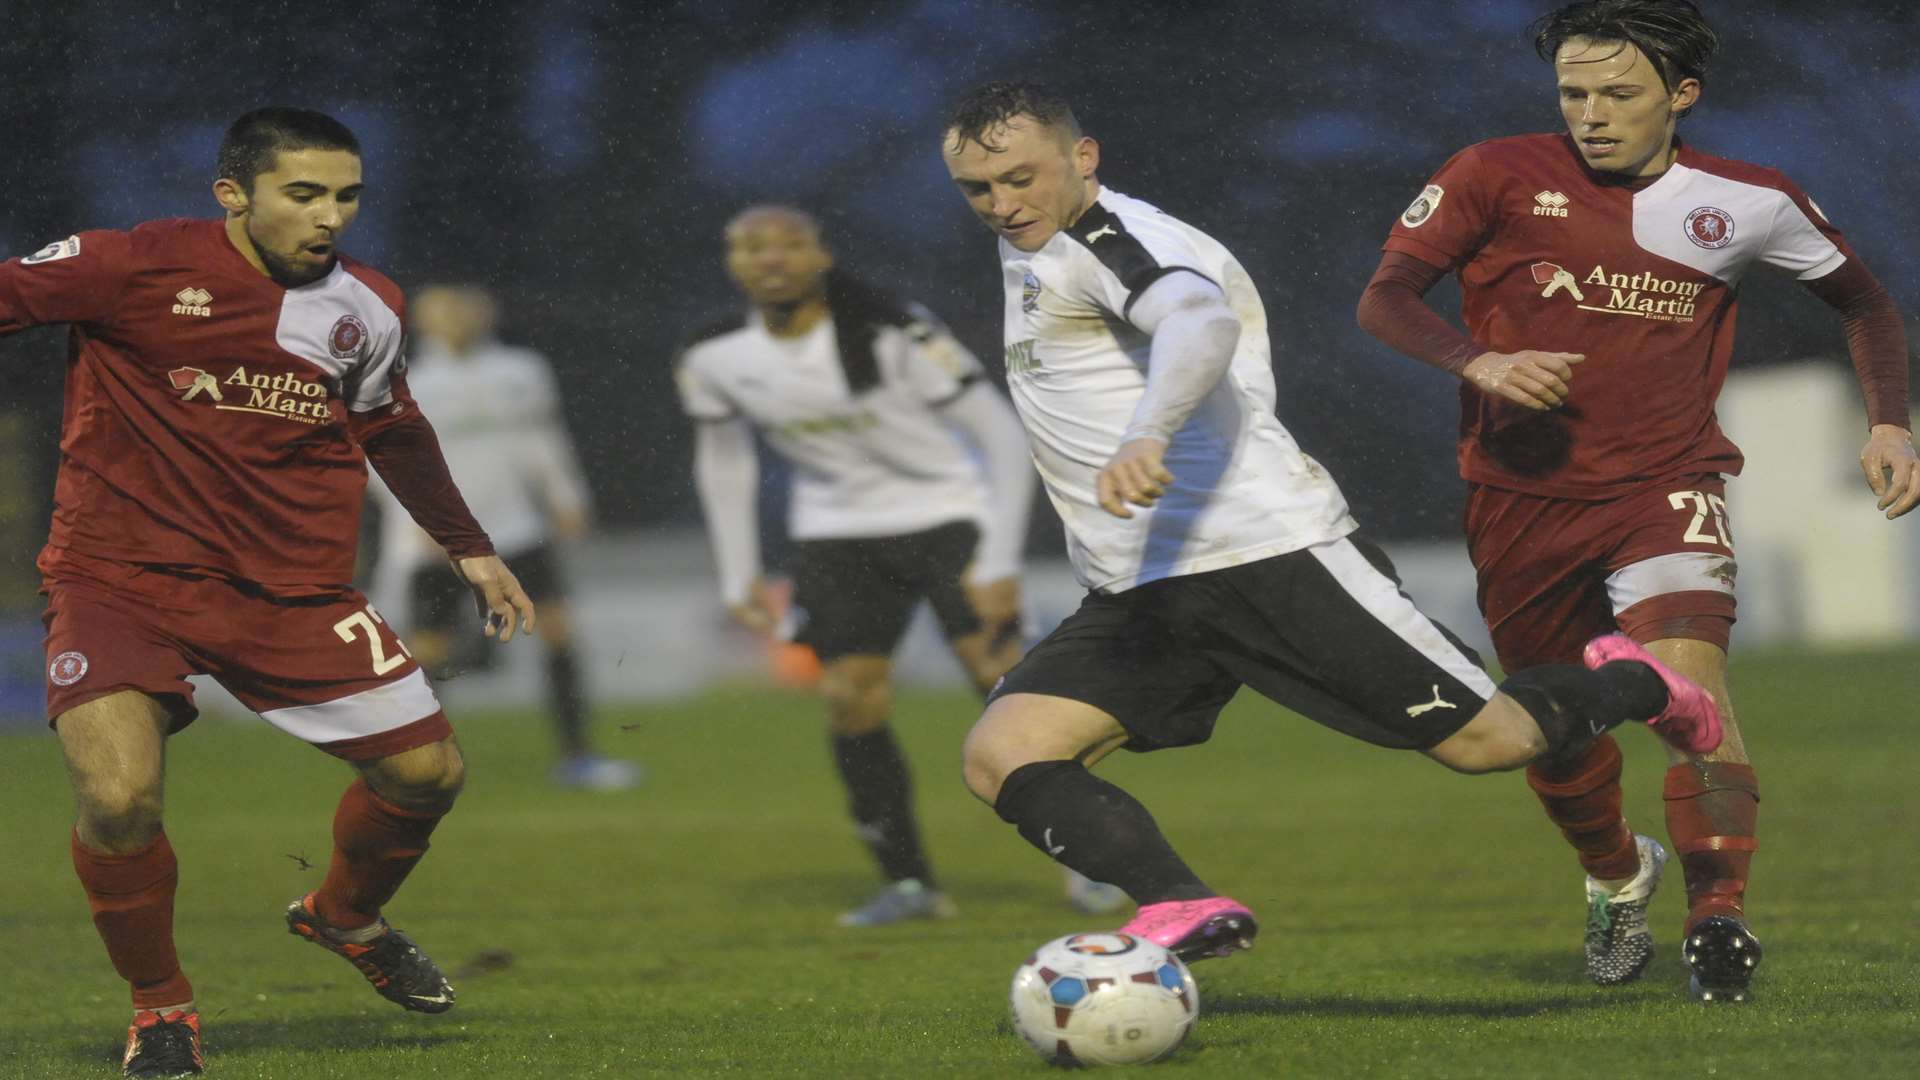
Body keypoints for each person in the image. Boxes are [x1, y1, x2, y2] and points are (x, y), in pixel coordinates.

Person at [937, 80, 1729, 968]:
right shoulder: (1037, 244)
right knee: (1003, 754)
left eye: (1020, 177)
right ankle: (1181, 904)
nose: (1003, 205)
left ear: (1084, 158)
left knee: (1489, 743)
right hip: (1141, 585)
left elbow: (1194, 319)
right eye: (979, 189)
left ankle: (1637, 686)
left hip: (1266, 552)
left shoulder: (1110, 240)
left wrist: (1147, 433)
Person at [1355, 0, 1914, 1002]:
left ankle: (1718, 922)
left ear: (1681, 94)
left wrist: (1889, 421)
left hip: (1667, 484)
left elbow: (1865, 303)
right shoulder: (1493, 171)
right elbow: (1384, 299)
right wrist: (1480, 360)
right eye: (1574, 92)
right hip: (1519, 500)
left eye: (1619, 92)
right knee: (1550, 731)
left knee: (1690, 687)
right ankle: (1617, 872)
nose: (1592, 114)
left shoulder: (1749, 201)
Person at [0, 108, 536, 1077]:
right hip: (120, 577)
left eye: (346, 196)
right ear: (234, 194)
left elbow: (394, 428)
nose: (328, 215)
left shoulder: (366, 304)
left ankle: (343, 918)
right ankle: (163, 1011)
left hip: (289, 589)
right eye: (303, 194)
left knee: (428, 776)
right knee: (119, 798)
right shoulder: (130, 264)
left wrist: (470, 547)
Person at [677, 204, 1082, 925]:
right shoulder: (713, 354)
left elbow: (999, 431)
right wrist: (738, 572)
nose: (771, 259)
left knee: (1004, 692)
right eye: (750, 247)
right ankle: (909, 885)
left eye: (789, 244)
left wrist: (998, 558)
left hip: (947, 518)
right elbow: (724, 459)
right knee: (849, 699)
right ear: (732, 262)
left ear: (822, 255)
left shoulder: (895, 328)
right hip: (836, 536)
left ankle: (1087, 866)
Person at [367, 284, 639, 791]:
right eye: (444, 310)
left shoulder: (521, 370)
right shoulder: (407, 379)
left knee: (557, 631)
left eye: (465, 307)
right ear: (423, 321)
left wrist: (566, 496)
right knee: (428, 650)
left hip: (517, 529)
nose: (458, 318)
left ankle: (579, 757)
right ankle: (419, 766)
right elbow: (382, 460)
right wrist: (417, 521)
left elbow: (542, 437)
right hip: (442, 536)